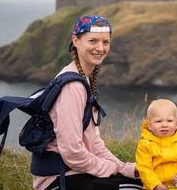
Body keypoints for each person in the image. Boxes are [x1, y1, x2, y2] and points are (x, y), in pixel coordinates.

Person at [34, 15, 143, 190]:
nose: (100, 48)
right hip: (59, 180)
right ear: (75, 41)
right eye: (93, 41)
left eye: (105, 42)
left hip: (75, 174)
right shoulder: (72, 87)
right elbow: (72, 152)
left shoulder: (84, 80)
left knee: (141, 183)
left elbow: (94, 143)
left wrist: (123, 168)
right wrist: (110, 168)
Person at [136, 99, 177, 190]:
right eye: (158, 121)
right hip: (155, 186)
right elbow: (144, 168)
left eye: (169, 121)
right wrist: (155, 184)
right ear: (150, 125)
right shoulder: (145, 145)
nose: (164, 125)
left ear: (176, 124)